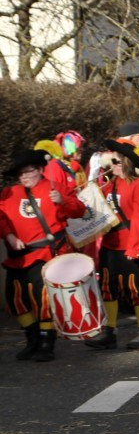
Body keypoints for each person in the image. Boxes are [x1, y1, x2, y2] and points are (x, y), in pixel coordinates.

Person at [1, 148, 87, 360]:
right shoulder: (9, 193)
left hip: (46, 254)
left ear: (40, 170)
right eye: (21, 174)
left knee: (43, 301)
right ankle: (32, 339)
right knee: (16, 300)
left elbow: (79, 210)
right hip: (18, 256)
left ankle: (47, 341)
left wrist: (62, 200)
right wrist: (9, 235)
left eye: (29, 171)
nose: (25, 177)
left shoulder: (54, 188)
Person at [85, 140, 139, 350]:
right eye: (111, 160)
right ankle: (110, 330)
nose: (112, 164)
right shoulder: (109, 183)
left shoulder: (138, 186)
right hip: (110, 244)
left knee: (136, 289)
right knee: (108, 288)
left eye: (116, 160)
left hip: (131, 246)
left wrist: (134, 248)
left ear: (126, 162)